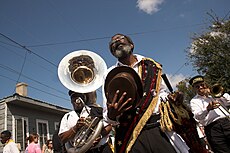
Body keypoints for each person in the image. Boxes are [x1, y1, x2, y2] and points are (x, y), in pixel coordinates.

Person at [103, 33, 189, 153]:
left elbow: (161, 93)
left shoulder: (151, 65)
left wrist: (171, 99)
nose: (116, 41)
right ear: (112, 52)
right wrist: (111, 115)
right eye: (112, 42)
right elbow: (107, 111)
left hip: (157, 128)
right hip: (129, 133)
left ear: (131, 45)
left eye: (120, 38)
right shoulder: (109, 74)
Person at [189, 75, 230, 153]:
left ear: (205, 84)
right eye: (197, 86)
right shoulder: (194, 101)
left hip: (226, 123)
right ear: (194, 89)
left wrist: (220, 94)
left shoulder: (214, 94)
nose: (200, 87)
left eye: (202, 85)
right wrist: (207, 109)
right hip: (212, 129)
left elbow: (229, 101)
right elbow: (197, 116)